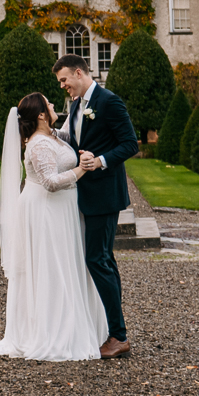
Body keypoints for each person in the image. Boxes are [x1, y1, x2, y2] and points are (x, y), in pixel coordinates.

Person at [0, 92, 109, 362]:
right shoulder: (37, 144)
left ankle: (72, 324)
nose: (52, 106)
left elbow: (71, 135)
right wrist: (83, 168)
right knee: (51, 267)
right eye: (48, 104)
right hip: (45, 211)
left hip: (62, 209)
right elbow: (50, 181)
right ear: (40, 114)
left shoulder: (53, 136)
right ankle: (50, 331)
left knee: (65, 264)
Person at [54, 52, 138, 359]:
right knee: (103, 259)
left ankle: (118, 336)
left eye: (64, 80)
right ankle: (114, 331)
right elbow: (73, 141)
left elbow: (130, 143)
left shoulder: (109, 101)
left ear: (78, 73)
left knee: (97, 260)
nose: (63, 86)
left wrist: (100, 161)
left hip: (105, 194)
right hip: (86, 194)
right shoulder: (76, 104)